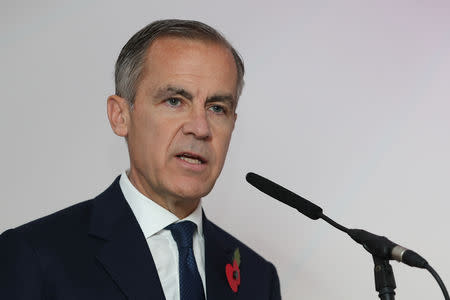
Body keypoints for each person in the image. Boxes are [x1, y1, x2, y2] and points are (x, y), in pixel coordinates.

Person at [0, 19, 281, 300]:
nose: (201, 127)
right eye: (174, 101)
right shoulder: (35, 256)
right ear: (120, 116)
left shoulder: (257, 278)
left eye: (217, 108)